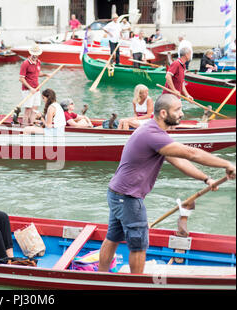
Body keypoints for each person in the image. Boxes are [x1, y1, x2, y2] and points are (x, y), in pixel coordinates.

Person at [98, 94, 236, 274]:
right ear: (163, 113)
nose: (182, 114)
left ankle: (101, 275)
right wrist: (227, 164)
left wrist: (206, 178)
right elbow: (191, 154)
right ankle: (135, 284)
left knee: (113, 237)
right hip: (129, 198)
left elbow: (179, 161)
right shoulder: (153, 135)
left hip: (117, 194)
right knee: (138, 245)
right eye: (177, 110)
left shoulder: (154, 133)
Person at [19, 44, 49, 125]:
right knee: (28, 109)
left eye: (37, 54)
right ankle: (25, 126)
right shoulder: (25, 63)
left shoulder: (38, 62)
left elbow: (37, 73)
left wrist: (46, 74)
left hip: (36, 89)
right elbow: (21, 78)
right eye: (34, 53)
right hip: (28, 90)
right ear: (31, 53)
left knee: (35, 108)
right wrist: (30, 88)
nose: (35, 55)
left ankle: (32, 124)